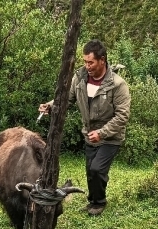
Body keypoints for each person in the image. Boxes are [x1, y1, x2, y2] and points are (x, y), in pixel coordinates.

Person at [39, 39, 131, 216]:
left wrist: (102, 133)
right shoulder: (80, 78)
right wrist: (50, 106)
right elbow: (66, 99)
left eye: (91, 62)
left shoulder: (118, 84)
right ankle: (93, 201)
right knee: (91, 171)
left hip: (111, 137)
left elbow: (122, 116)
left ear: (102, 60)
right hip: (89, 135)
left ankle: (99, 203)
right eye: (85, 62)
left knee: (97, 169)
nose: (87, 66)